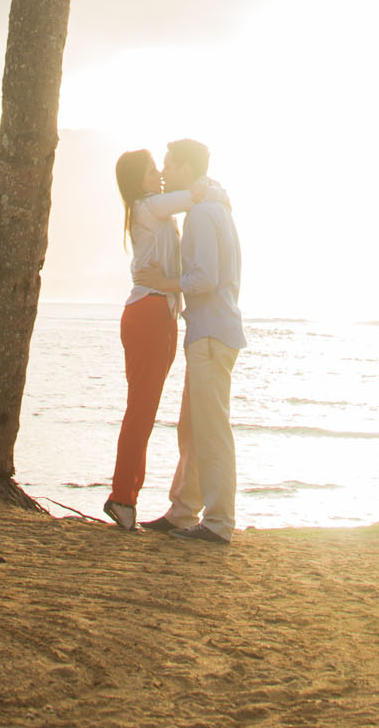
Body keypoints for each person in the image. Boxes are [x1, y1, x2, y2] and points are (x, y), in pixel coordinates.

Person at [103, 148, 216, 532]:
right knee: (141, 411)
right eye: (154, 171)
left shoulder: (153, 210)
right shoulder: (148, 206)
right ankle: (122, 498)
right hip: (148, 315)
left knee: (143, 411)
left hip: (158, 314)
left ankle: (124, 498)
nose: (159, 175)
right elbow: (193, 195)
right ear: (140, 181)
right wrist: (210, 184)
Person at [142, 137, 245, 546]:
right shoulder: (214, 205)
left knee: (210, 429)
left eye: (168, 164)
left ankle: (219, 523)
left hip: (211, 334)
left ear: (186, 168)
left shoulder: (203, 214)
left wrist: (164, 283)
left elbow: (205, 279)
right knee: (193, 427)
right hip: (211, 332)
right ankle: (183, 511)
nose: (164, 172)